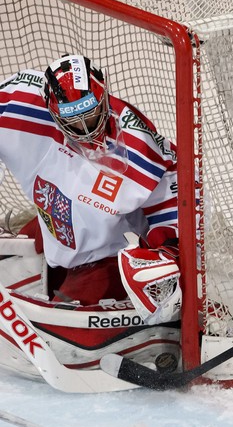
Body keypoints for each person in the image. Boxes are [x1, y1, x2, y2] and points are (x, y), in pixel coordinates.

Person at [0, 54, 181, 324]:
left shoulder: (138, 143)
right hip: (54, 225)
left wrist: (166, 251)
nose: (86, 128)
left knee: (63, 327)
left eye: (91, 114)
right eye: (74, 120)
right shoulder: (19, 107)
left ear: (103, 96)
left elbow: (176, 193)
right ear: (50, 109)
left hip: (108, 254)